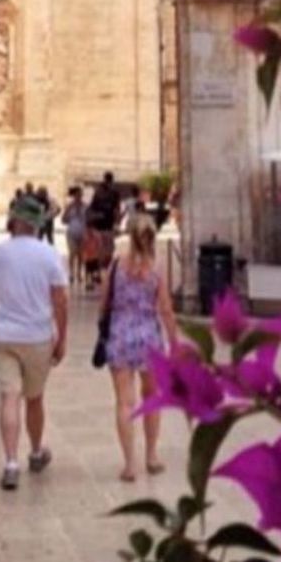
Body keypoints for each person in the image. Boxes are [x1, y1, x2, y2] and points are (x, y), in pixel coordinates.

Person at [0, 194, 68, 492]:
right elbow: (60, 300)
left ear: (14, 221)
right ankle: (36, 450)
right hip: (38, 336)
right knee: (35, 398)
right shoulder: (48, 254)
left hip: (3, 335)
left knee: (9, 397)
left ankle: (10, 462)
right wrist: (62, 337)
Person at [101, 213, 177, 482]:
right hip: (149, 338)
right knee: (152, 397)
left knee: (124, 402)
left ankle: (129, 464)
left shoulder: (115, 266)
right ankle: (152, 456)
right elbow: (166, 310)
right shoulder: (156, 270)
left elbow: (104, 304)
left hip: (120, 335)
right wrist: (175, 342)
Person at [90, 171, 121, 268]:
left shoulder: (97, 191)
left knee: (101, 248)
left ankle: (101, 267)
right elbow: (117, 209)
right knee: (109, 248)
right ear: (111, 181)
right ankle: (106, 267)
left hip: (98, 225)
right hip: (108, 225)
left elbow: (92, 207)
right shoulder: (114, 192)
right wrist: (117, 223)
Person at [62, 186, 87, 286]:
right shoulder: (69, 206)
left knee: (81, 254)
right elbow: (63, 220)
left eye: (80, 195)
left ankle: (79, 273)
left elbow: (89, 218)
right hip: (72, 231)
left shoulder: (85, 206)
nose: (79, 196)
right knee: (72, 253)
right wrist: (69, 216)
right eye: (77, 195)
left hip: (82, 232)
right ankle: (71, 273)